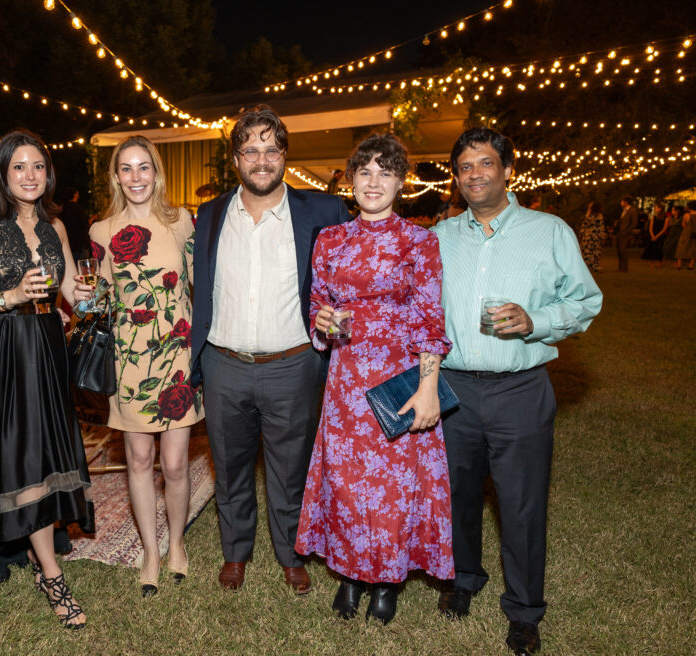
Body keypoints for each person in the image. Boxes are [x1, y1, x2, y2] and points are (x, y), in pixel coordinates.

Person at [432, 127, 603, 656]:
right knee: (456, 492)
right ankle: (464, 578)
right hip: (454, 387)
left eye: (485, 163)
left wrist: (538, 320)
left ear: (508, 169)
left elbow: (586, 300)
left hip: (520, 389)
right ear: (456, 177)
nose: (474, 175)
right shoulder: (440, 235)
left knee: (522, 503)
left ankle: (525, 610)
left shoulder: (548, 231)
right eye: (464, 167)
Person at [190, 104, 350, 595]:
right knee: (230, 465)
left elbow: (349, 277)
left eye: (271, 149)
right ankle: (235, 553)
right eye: (250, 150)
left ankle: (292, 554)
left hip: (293, 364)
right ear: (235, 158)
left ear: (284, 155)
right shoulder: (212, 214)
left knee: (289, 468)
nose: (261, 160)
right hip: (224, 364)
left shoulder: (322, 211)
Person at [295, 134, 454, 624]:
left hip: (398, 379)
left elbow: (430, 319)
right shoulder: (331, 239)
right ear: (350, 179)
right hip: (345, 381)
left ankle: (386, 582)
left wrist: (428, 388)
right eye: (364, 171)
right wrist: (320, 321)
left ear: (401, 182)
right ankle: (348, 574)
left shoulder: (420, 242)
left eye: (385, 172)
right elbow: (318, 303)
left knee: (393, 487)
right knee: (345, 484)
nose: (373, 182)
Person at [0, 129, 93, 629]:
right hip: (4, 355)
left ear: (48, 173)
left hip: (48, 352)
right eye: (19, 166)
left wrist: (102, 299)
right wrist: (10, 297)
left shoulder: (55, 224)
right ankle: (52, 574)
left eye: (38, 166)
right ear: (2, 172)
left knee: (48, 450)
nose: (30, 175)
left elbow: (75, 289)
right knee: (24, 452)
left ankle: (41, 554)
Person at [86, 135, 204, 597]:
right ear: (116, 176)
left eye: (144, 167)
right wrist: (81, 298)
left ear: (156, 173)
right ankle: (150, 553)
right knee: (138, 459)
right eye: (126, 168)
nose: (135, 177)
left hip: (175, 355)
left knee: (174, 465)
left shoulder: (181, 222)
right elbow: (97, 299)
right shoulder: (101, 230)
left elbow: (200, 287)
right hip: (130, 357)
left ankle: (176, 544)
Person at [59, 186, 90, 259]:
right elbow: (84, 224)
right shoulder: (78, 209)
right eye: (77, 193)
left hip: (67, 245)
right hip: (79, 245)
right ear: (74, 195)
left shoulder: (62, 209)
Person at [578, 201, 606, 272]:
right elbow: (600, 228)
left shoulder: (590, 215)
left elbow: (584, 226)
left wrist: (581, 234)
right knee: (594, 251)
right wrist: (602, 237)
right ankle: (594, 266)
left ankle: (589, 266)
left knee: (588, 251)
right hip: (594, 237)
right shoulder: (598, 216)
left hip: (588, 236)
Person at [674, 201, 696, 269]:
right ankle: (691, 265)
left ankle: (679, 264)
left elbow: (683, 224)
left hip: (686, 232)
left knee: (681, 247)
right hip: (695, 233)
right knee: (694, 248)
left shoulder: (687, 215)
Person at [617, 195, 638, 272]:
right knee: (619, 251)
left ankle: (624, 268)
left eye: (622, 201)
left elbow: (634, 223)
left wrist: (627, 231)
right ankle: (620, 267)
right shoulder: (623, 211)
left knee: (623, 251)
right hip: (620, 233)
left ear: (626, 202)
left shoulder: (632, 211)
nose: (621, 203)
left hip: (626, 234)